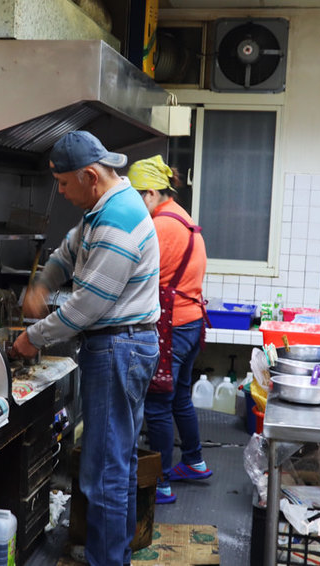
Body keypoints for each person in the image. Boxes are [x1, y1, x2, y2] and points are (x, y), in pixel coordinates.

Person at [11, 131, 160, 566]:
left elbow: (88, 306)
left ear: (90, 176)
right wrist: (42, 283)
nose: (60, 192)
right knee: (119, 463)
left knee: (104, 475)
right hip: (124, 347)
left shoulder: (118, 218)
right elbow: (67, 252)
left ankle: (108, 560)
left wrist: (31, 337)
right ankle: (114, 554)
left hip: (119, 349)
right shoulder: (102, 208)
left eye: (63, 183)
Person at [127, 155, 212, 505]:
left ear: (150, 193)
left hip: (173, 327)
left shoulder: (161, 226)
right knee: (179, 398)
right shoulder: (182, 217)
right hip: (190, 323)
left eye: (135, 199)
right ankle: (193, 461)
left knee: (159, 404)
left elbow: (133, 272)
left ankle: (158, 482)